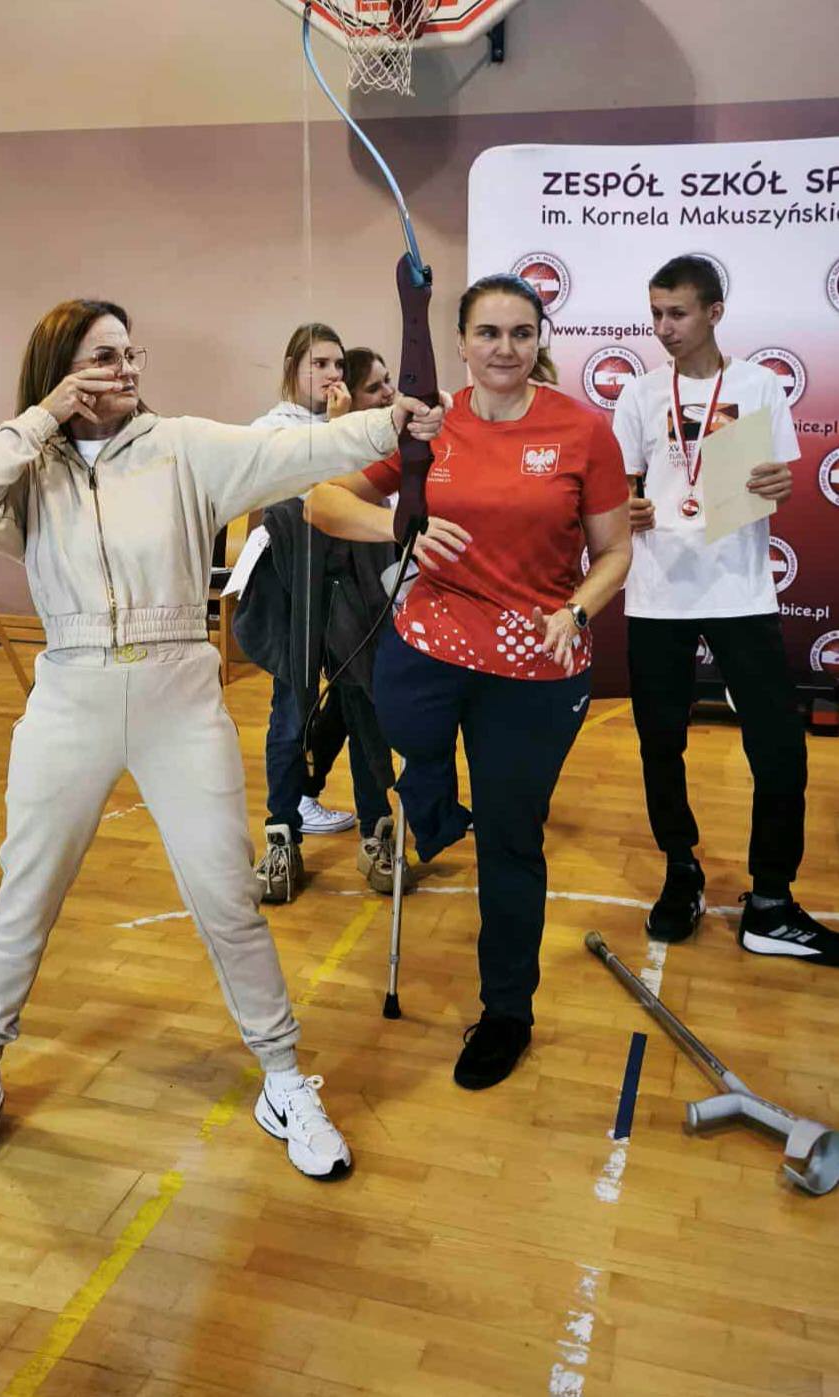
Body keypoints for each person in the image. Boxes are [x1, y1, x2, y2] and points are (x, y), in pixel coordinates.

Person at [0, 298, 444, 1179]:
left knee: (225, 895)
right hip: (70, 694)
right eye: (103, 356)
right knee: (26, 891)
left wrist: (385, 422)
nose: (127, 367)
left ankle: (282, 1077)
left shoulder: (184, 447)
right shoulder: (27, 469)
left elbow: (296, 453)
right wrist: (45, 416)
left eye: (131, 352)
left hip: (178, 692)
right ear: (61, 371)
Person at [306, 274, 631, 1090]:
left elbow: (615, 552)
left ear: (539, 339)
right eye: (488, 333)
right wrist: (399, 526)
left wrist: (577, 611)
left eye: (521, 333)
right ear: (458, 342)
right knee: (404, 731)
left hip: (533, 663)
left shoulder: (581, 431)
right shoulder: (428, 423)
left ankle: (506, 1011)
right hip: (431, 644)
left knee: (512, 838)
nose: (504, 349)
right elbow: (321, 501)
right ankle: (437, 805)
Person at [613, 254, 838, 962]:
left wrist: (778, 485)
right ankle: (680, 869)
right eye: (655, 313)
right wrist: (626, 506)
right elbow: (621, 489)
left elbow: (771, 482)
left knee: (777, 747)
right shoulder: (639, 393)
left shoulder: (757, 385)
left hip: (740, 590)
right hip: (657, 593)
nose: (663, 327)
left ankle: (770, 899)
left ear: (713, 312)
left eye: (677, 313)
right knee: (660, 743)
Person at [245, 330, 401, 901]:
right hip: (297, 584)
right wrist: (337, 434)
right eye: (320, 363)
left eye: (338, 363)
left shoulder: (357, 427)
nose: (332, 374)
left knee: (365, 707)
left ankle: (375, 832)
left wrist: (346, 430)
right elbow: (287, 491)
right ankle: (282, 836)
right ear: (294, 367)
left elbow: (372, 496)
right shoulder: (271, 430)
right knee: (291, 711)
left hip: (356, 582)